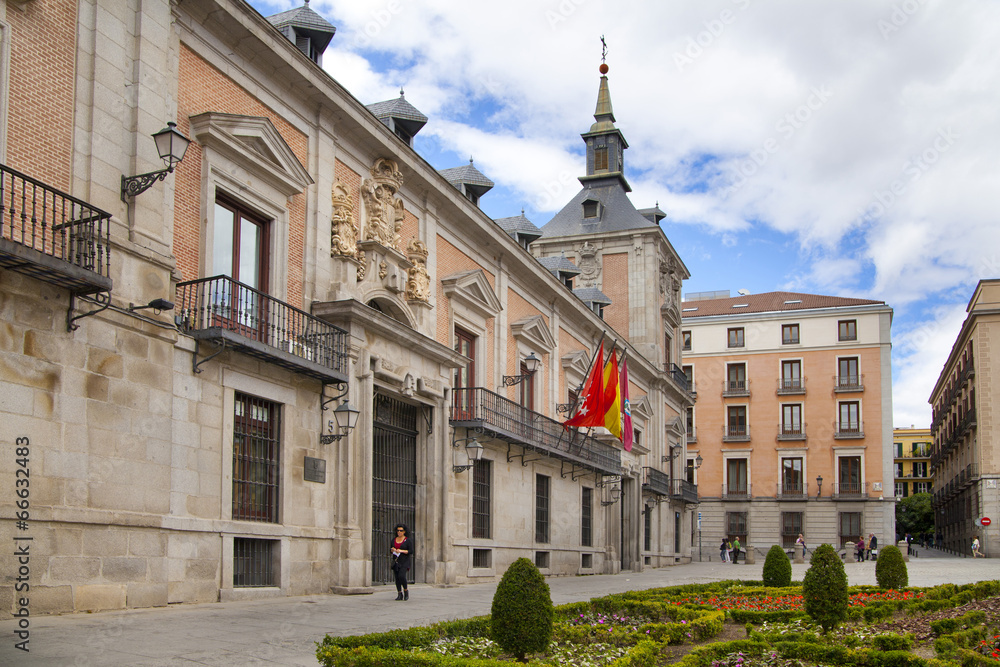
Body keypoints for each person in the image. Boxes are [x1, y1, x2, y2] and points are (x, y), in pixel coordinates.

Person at [390, 523, 414, 600]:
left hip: (404, 561)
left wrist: (401, 551)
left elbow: (411, 551)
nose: (399, 532)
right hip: (396, 560)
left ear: (404, 531)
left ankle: (406, 590)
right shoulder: (394, 539)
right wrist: (393, 550)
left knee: (401, 576)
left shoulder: (408, 540)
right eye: (398, 530)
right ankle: (399, 593)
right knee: (397, 577)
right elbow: (390, 549)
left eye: (401, 530)